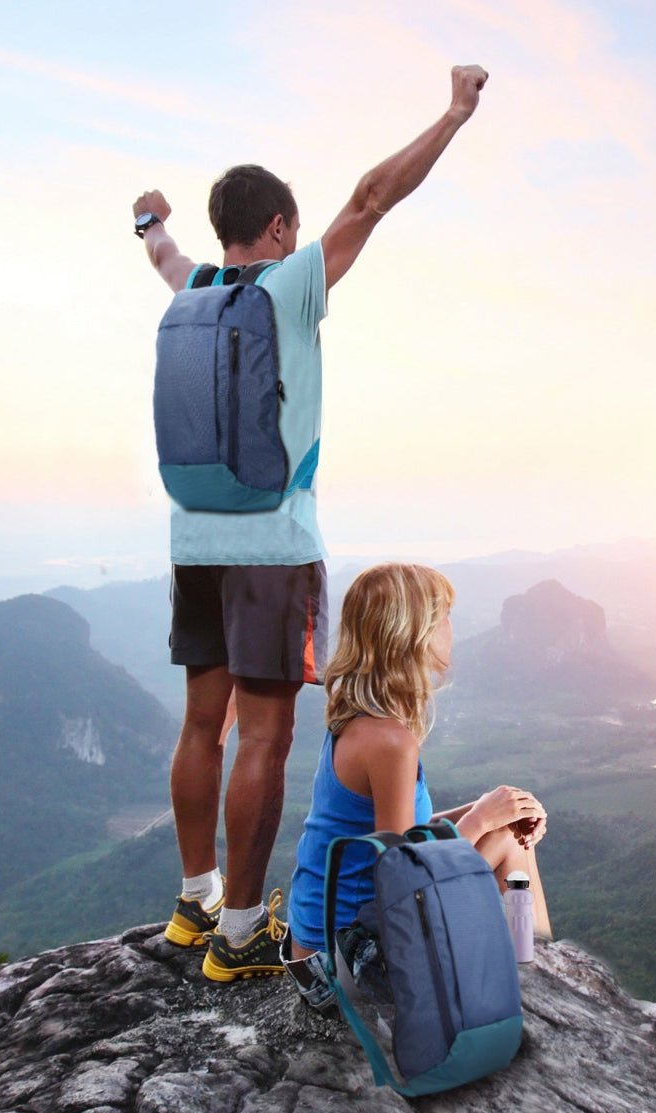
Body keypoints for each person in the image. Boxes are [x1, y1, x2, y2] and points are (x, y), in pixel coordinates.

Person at [132, 65, 491, 983]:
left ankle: (194, 898)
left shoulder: (193, 287)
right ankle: (243, 931)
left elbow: (159, 254)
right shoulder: (290, 285)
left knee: (199, 724)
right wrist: (453, 111)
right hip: (271, 548)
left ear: (224, 231)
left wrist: (150, 221)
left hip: (193, 539)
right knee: (264, 735)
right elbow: (374, 196)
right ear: (283, 227)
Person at [283, 563, 551, 1014]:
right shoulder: (391, 742)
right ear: (413, 635)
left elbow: (401, 837)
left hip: (319, 950)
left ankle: (533, 965)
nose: (451, 629)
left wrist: (487, 809)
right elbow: (402, 879)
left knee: (506, 831)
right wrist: (483, 819)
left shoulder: (357, 717)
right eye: (442, 617)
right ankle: (541, 970)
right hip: (347, 965)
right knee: (509, 843)